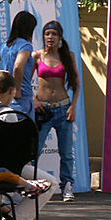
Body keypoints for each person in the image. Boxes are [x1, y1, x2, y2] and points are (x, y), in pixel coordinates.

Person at [0, 71, 59, 220]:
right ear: (12, 91)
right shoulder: (7, 114)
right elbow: (15, 153)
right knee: (50, 182)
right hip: (0, 169)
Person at [33, 20, 80, 203]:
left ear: (60, 37)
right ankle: (33, 186)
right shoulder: (37, 56)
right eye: (47, 34)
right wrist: (34, 100)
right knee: (35, 150)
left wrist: (73, 106)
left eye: (54, 34)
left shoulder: (67, 56)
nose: (50, 37)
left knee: (66, 152)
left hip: (63, 108)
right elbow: (25, 84)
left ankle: (67, 186)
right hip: (43, 110)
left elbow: (76, 84)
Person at [0, 11, 37, 117]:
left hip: (5, 96)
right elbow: (18, 66)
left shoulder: (4, 46)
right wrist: (17, 89)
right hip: (22, 97)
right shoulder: (25, 46)